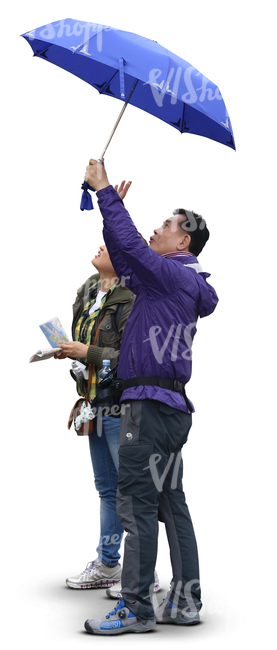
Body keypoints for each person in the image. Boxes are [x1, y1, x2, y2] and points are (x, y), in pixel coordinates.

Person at [81, 159, 219, 636]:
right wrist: (109, 208)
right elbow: (127, 253)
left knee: (136, 505)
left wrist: (104, 192)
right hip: (170, 410)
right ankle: (185, 603)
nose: (156, 229)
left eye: (166, 225)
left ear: (184, 241)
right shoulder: (175, 282)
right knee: (170, 504)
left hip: (146, 408)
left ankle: (136, 609)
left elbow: (135, 251)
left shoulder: (171, 277)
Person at [55, 183, 160, 598]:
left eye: (108, 244)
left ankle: (143, 573)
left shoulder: (135, 294)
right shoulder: (87, 291)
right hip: (94, 402)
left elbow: (133, 356)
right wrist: (71, 352)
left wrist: (90, 351)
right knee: (106, 488)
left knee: (133, 489)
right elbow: (91, 346)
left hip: (124, 404)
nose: (100, 247)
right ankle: (108, 563)